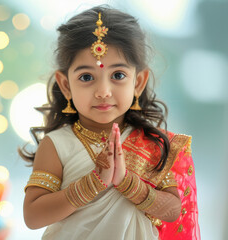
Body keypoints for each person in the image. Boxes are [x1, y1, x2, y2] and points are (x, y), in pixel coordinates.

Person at [20, 5, 200, 240]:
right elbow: (33, 216)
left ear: (138, 82)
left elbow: (173, 211)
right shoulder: (56, 145)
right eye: (86, 77)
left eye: (118, 75)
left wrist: (126, 182)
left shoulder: (151, 142)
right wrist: (94, 182)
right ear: (65, 85)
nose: (103, 91)